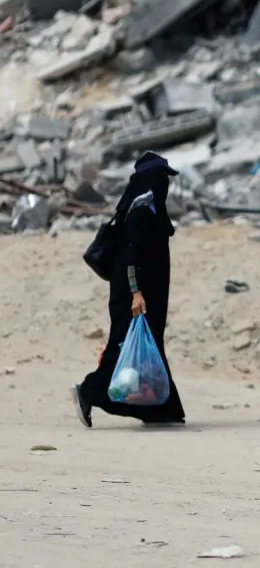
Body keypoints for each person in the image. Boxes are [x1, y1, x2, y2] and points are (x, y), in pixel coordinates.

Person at [71, 152, 186, 428]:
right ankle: (88, 392)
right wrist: (136, 292)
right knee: (124, 347)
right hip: (134, 294)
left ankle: (162, 408)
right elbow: (132, 254)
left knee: (150, 346)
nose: (164, 183)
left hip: (148, 293)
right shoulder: (141, 208)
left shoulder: (149, 206)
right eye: (160, 177)